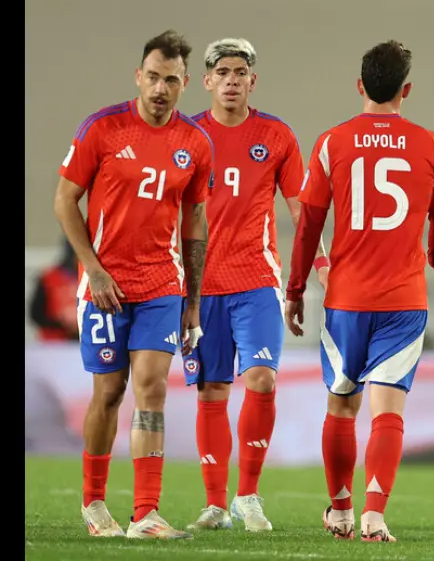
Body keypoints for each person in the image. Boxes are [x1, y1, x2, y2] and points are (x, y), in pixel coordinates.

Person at [284, 40, 434, 542]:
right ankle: (374, 516)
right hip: (403, 301)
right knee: (388, 412)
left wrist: (296, 288)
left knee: (341, 403)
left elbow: (308, 226)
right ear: (406, 90)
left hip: (346, 298)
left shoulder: (332, 142)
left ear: (360, 86)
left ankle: (340, 511)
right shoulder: (430, 145)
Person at [53, 30, 212, 540]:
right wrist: (92, 268)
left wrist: (192, 300)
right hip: (104, 286)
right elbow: (64, 201)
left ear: (185, 83)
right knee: (109, 391)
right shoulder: (102, 128)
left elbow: (195, 223)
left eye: (171, 80)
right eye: (153, 77)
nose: (160, 88)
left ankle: (145, 513)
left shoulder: (194, 143)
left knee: (150, 388)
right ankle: (95, 504)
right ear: (138, 77)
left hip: (162, 284)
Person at [183, 37, 328, 533]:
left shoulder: (277, 136)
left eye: (239, 72)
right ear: (205, 81)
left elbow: (300, 210)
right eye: (221, 72)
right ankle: (214, 503)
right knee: (211, 391)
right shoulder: (186, 135)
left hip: (256, 280)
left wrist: (318, 264)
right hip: (200, 288)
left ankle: (247, 496)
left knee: (262, 378)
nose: (230, 80)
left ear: (252, 80)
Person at [29, 238, 79, 341]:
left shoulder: (95, 279)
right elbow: (36, 314)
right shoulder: (49, 278)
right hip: (54, 344)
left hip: (86, 341)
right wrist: (62, 326)